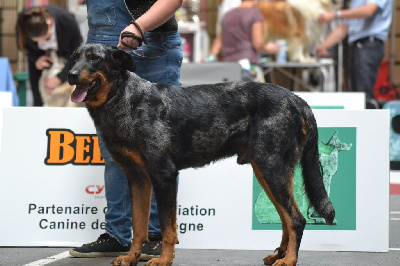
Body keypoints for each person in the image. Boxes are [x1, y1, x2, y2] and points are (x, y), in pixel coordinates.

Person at [69, 0, 183, 260]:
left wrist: (138, 27)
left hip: (150, 43)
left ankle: (155, 235)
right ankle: (118, 235)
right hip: (100, 47)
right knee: (115, 154)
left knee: (158, 156)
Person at [317, 0, 393, 109]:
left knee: (364, 97)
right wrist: (322, 46)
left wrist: (335, 15)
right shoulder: (356, 2)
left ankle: (370, 124)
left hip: (369, 46)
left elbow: (368, 11)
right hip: (356, 48)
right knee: (357, 97)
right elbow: (344, 27)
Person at [16, 5, 83, 107]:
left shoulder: (67, 21)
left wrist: (60, 78)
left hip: (67, 62)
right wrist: (36, 59)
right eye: (37, 41)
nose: (43, 43)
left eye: (46, 38)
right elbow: (23, 47)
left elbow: (77, 53)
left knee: (67, 99)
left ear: (49, 22)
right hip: (41, 63)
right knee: (38, 99)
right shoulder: (24, 22)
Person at [208, 0, 280, 82]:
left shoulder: (228, 14)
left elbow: (219, 41)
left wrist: (211, 57)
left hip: (228, 66)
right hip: (248, 67)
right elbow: (257, 44)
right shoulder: (255, 14)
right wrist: (268, 49)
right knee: (251, 94)